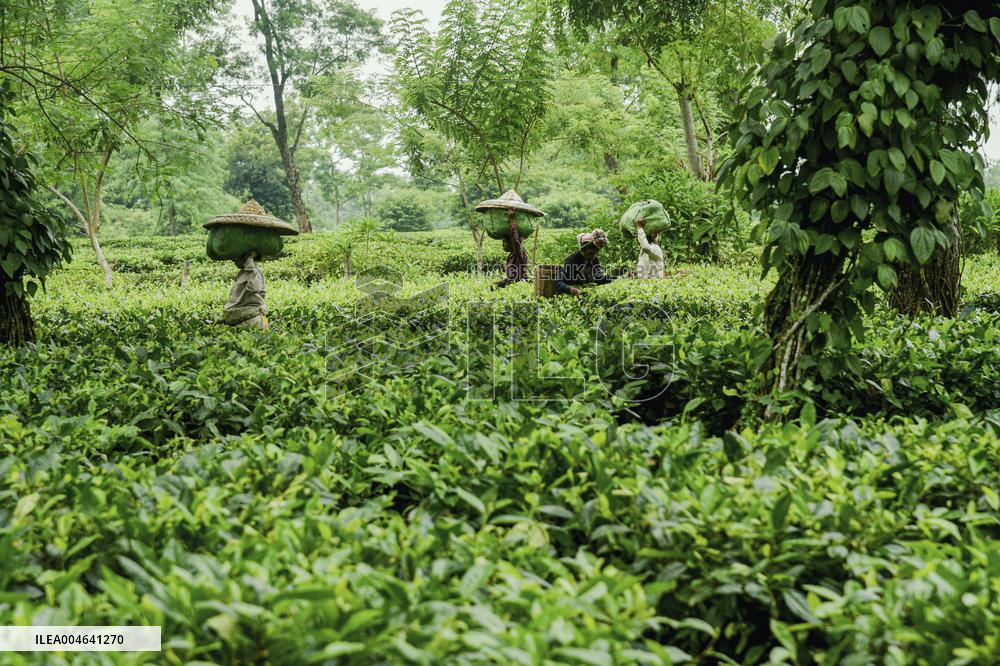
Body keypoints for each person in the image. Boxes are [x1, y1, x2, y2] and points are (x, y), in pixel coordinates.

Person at [555, 228, 615, 296]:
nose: (594, 256)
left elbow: (598, 279)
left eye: (596, 253)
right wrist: (571, 290)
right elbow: (558, 282)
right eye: (591, 253)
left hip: (587, 295)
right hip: (571, 297)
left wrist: (617, 277)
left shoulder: (594, 260)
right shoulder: (572, 261)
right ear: (583, 250)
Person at [223, 251, 269, 330]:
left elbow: (254, 288)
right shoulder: (245, 272)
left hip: (253, 321)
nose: (234, 261)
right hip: (243, 318)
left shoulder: (254, 272)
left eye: (235, 259)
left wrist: (250, 260)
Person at [496, 210, 529, 288]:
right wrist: (503, 282)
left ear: (511, 242)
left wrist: (512, 220)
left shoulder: (519, 253)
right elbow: (513, 278)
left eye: (504, 242)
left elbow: (516, 241)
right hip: (514, 286)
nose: (503, 245)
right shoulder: (512, 255)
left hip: (520, 288)